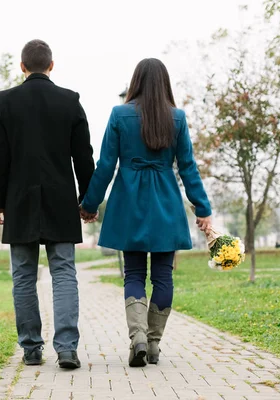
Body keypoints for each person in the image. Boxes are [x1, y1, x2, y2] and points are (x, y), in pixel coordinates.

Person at [80, 58, 212, 368]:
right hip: (165, 200)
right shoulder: (177, 118)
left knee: (135, 273)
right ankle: (153, 344)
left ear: (136, 81)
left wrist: (88, 204)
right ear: (164, 83)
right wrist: (202, 209)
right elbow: (188, 168)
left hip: (129, 200)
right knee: (163, 275)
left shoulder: (119, 114)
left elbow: (105, 165)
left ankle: (137, 337)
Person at [0, 40, 95, 369]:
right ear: (51, 66)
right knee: (64, 273)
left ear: (22, 67)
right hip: (60, 200)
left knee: (23, 276)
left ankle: (31, 349)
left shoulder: (6, 102)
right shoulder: (70, 101)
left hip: (19, 201)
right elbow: (83, 157)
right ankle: (66, 349)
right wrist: (87, 200)